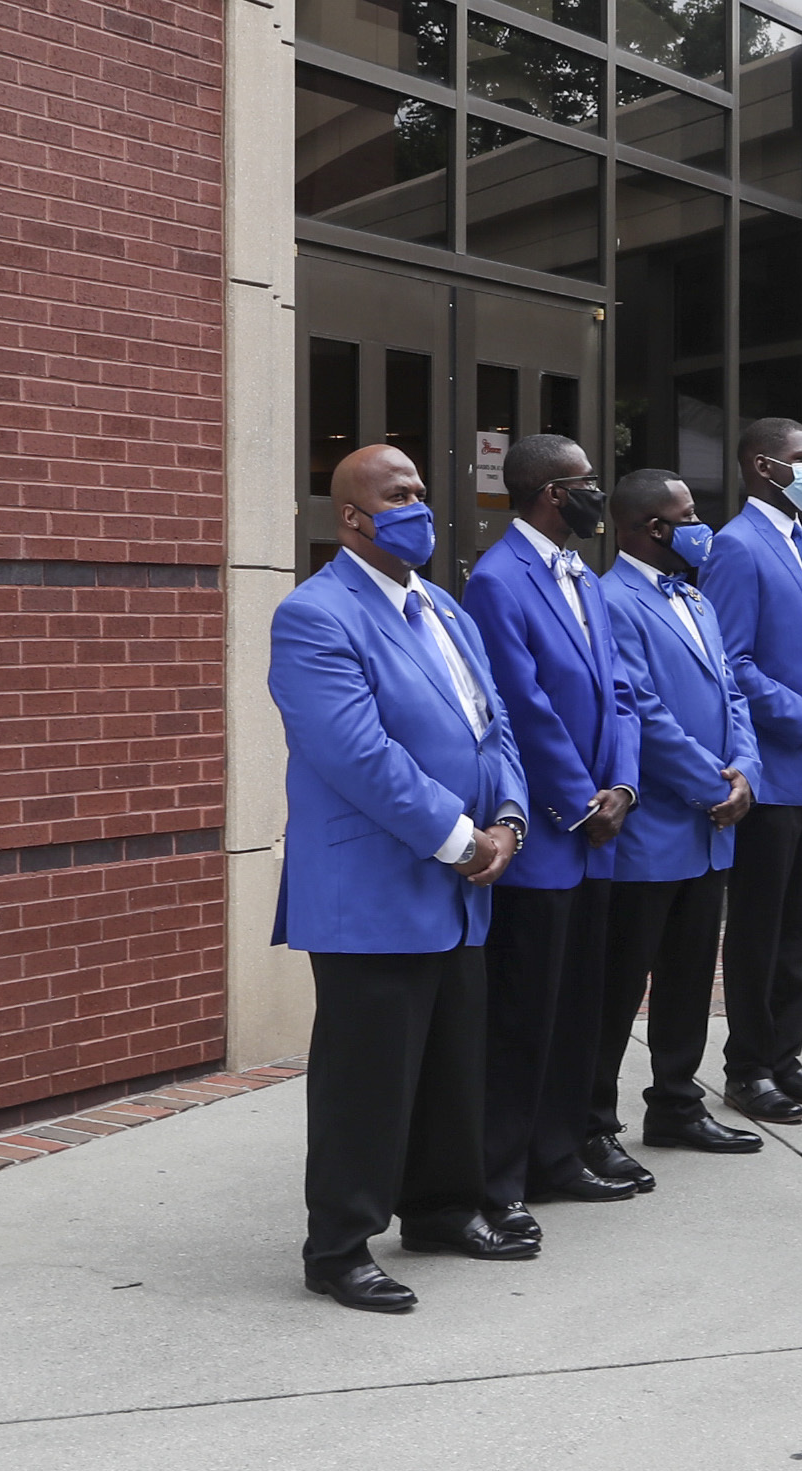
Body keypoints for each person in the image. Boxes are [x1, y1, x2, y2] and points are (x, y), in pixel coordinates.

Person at [271, 444, 533, 1313]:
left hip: (461, 881)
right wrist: (460, 838)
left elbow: (494, 726)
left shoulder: (446, 608)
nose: (419, 503)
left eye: (421, 489)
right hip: (373, 887)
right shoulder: (315, 615)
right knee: (368, 1075)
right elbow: (355, 753)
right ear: (353, 516)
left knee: (453, 1060)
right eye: (399, 494)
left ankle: (441, 1208)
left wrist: (509, 819)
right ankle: (339, 1243)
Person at [463, 434, 645, 1243]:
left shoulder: (583, 578)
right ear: (549, 493)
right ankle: (500, 1177)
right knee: (525, 1015)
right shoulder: (500, 580)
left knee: (580, 1004)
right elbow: (523, 709)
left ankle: (560, 1151)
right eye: (587, 483)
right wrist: (580, 800)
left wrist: (625, 787)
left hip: (600, 829)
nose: (597, 495)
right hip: (549, 833)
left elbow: (623, 690)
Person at [593, 470, 766, 1161]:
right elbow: (641, 713)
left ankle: (675, 1104)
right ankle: (594, 1122)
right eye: (689, 514)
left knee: (691, 978)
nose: (703, 526)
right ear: (652, 527)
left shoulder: (697, 598)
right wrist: (710, 784)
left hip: (709, 830)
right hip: (653, 830)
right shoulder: (611, 600)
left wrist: (747, 770)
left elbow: (733, 697)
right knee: (619, 986)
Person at [700, 418, 802, 1125]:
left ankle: (785, 1052)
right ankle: (748, 1068)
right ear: (764, 467)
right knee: (761, 928)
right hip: (775, 772)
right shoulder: (736, 547)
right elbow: (731, 663)